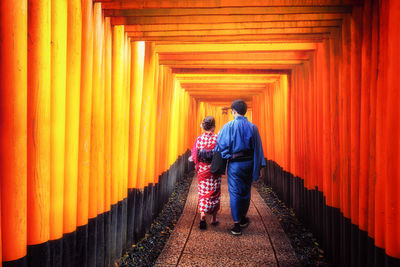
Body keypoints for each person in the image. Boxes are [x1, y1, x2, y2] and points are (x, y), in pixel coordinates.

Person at [216, 99, 266, 235]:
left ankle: (237, 224)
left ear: (233, 111)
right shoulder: (253, 127)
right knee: (245, 191)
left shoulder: (228, 126)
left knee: (234, 193)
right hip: (249, 163)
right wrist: (260, 166)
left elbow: (221, 143)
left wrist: (227, 155)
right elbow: (258, 148)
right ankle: (243, 217)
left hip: (235, 164)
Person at [189, 116, 221, 229]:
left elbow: (194, 154)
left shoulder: (199, 139)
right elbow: (220, 153)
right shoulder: (217, 138)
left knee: (203, 192)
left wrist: (197, 164)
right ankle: (213, 217)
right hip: (214, 169)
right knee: (215, 192)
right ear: (213, 127)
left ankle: (202, 214)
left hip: (203, 169)